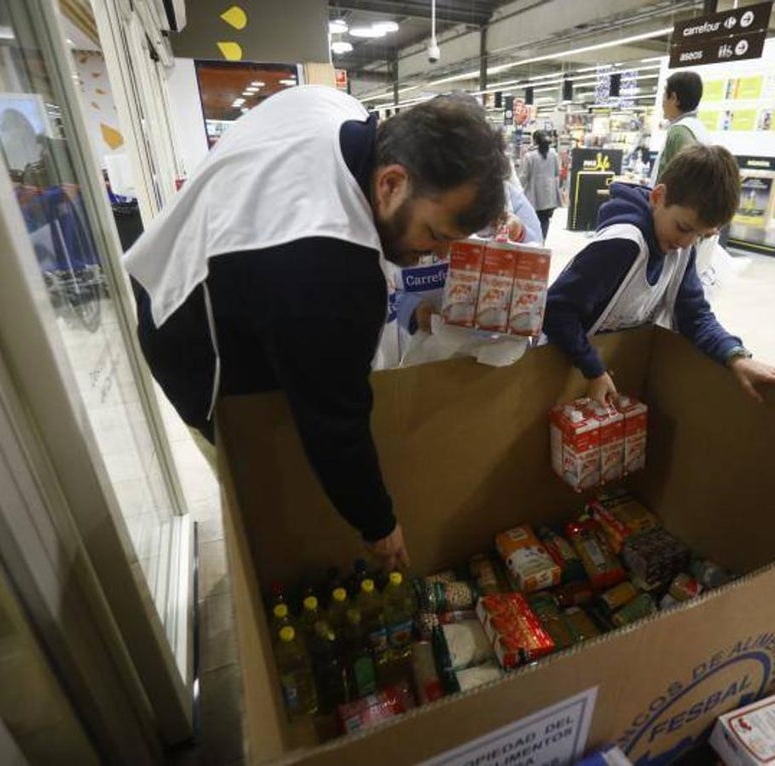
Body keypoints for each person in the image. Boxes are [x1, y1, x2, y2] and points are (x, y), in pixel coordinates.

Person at [124, 87, 507, 571]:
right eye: (436, 234)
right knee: (265, 476)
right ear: (390, 183)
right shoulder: (328, 267)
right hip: (194, 334)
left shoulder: (341, 111)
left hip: (213, 264)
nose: (439, 255)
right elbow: (335, 420)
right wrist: (380, 526)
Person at [543, 144, 775, 406]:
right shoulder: (622, 245)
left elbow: (694, 315)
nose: (687, 242)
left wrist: (736, 357)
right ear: (658, 197)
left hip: (606, 375)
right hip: (563, 369)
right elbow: (555, 309)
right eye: (683, 227)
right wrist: (593, 369)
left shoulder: (681, 249)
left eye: (701, 236)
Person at [654, 71, 710, 181]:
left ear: (674, 98)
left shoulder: (679, 131)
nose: (662, 101)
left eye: (665, 94)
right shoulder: (698, 127)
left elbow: (689, 173)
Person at [519, 130, 562, 242]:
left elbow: (524, 177)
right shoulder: (553, 154)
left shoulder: (529, 156)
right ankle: (542, 240)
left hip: (533, 195)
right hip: (549, 195)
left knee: (532, 219)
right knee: (545, 219)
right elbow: (557, 172)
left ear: (534, 140)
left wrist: (518, 191)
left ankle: (534, 242)